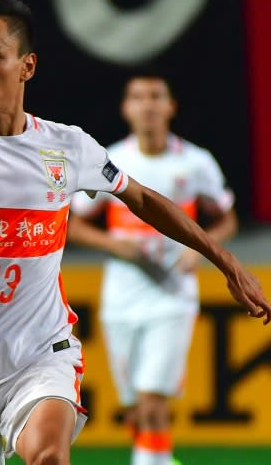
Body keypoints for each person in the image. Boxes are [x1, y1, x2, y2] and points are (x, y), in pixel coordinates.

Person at [0, 0, 271, 465]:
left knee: (49, 457)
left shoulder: (67, 146)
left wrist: (227, 261)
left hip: (41, 352)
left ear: (26, 66)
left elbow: (142, 199)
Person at [67, 73, 238, 465]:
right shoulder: (111, 161)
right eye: (138, 97)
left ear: (170, 106)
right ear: (126, 108)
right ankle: (160, 459)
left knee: (152, 399)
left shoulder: (195, 162)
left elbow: (227, 219)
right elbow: (73, 222)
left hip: (172, 296)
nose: (147, 105)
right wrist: (113, 244)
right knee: (134, 407)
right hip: (121, 299)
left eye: (156, 97)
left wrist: (201, 250)